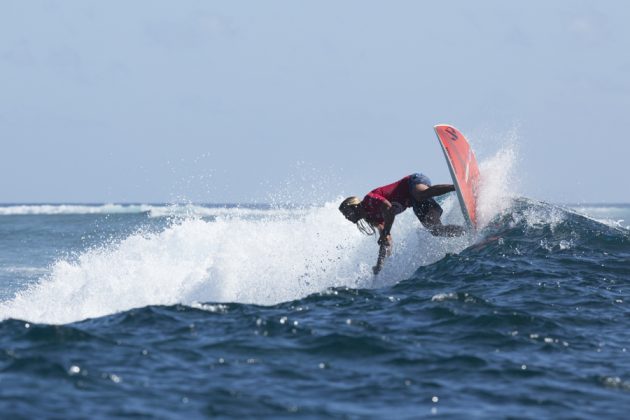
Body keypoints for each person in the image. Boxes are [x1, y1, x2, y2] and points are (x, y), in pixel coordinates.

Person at [339, 173, 464, 274]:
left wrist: (386, 231)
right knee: (436, 230)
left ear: (354, 206)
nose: (346, 217)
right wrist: (380, 265)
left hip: (412, 182)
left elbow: (388, 209)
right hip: (415, 203)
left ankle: (458, 186)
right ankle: (467, 230)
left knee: (420, 194)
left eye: (347, 213)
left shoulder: (369, 200)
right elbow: (386, 241)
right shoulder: (372, 218)